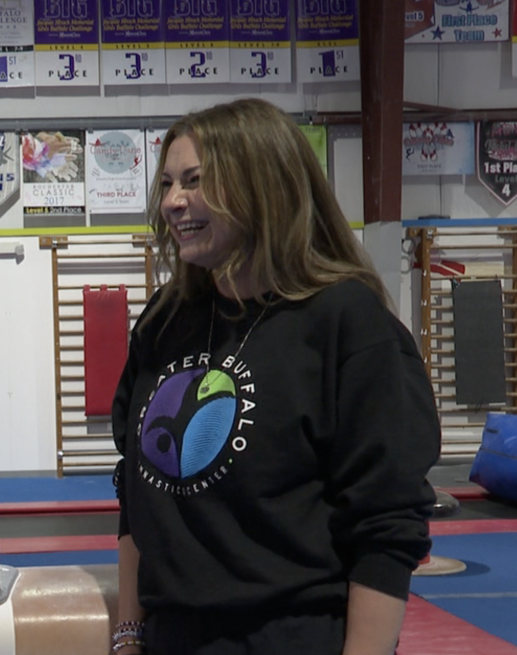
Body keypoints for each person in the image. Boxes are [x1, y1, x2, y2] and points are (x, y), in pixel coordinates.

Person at [111, 98, 440, 655]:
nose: (172, 202)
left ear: (262, 185)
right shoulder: (166, 321)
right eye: (166, 183)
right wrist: (128, 633)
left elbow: (387, 524)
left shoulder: (346, 325)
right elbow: (136, 490)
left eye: (194, 181)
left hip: (292, 636)